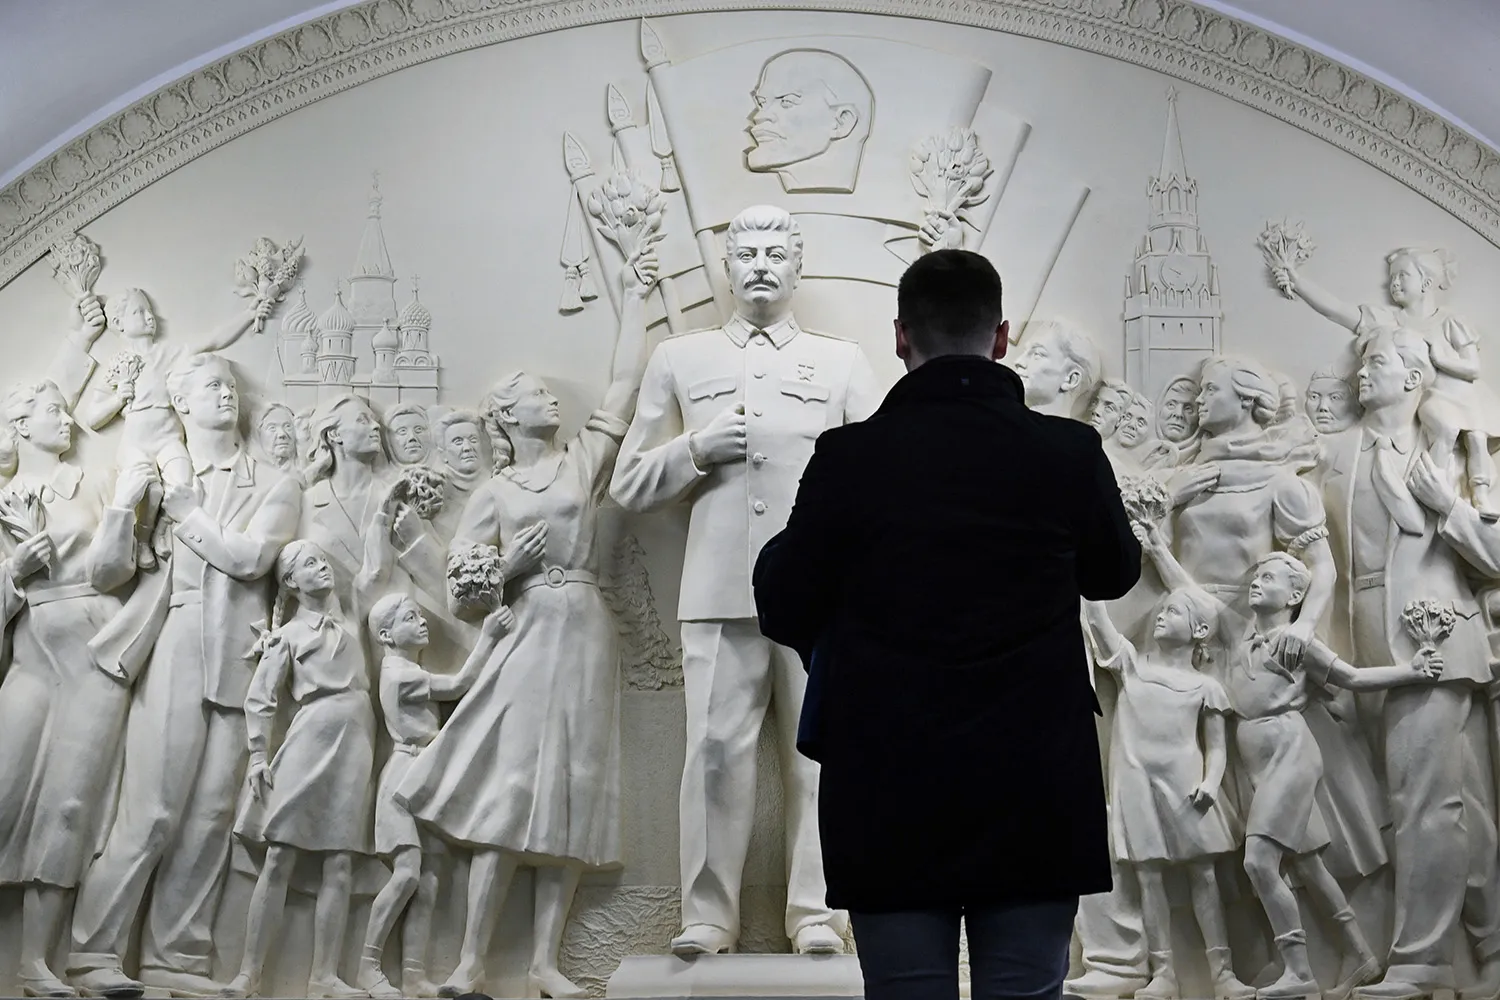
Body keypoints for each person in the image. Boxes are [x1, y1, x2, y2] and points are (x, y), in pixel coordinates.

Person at [753, 249, 1140, 1000]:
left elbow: (783, 601)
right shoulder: (1068, 453)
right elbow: (1113, 572)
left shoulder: (849, 457)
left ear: (901, 337)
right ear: (1001, 337)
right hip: (1035, 775)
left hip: (887, 776)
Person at [399, 247, 656, 997]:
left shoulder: (581, 464)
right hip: (527, 628)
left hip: (584, 626)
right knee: (510, 786)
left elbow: (625, 386)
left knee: (575, 784)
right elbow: (461, 586)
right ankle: (474, 959)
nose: (553, 402)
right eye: (538, 396)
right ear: (508, 416)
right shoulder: (497, 491)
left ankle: (544, 963)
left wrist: (634, 299)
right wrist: (511, 568)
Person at [68, 354, 301, 998]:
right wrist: (128, 504)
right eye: (210, 387)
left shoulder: (275, 482)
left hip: (240, 655)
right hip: (173, 641)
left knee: (210, 816)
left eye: (231, 385)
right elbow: (106, 575)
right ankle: (92, 951)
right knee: (154, 807)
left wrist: (190, 513)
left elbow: (252, 560)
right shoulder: (152, 473)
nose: (225, 395)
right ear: (182, 403)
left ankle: (178, 957)